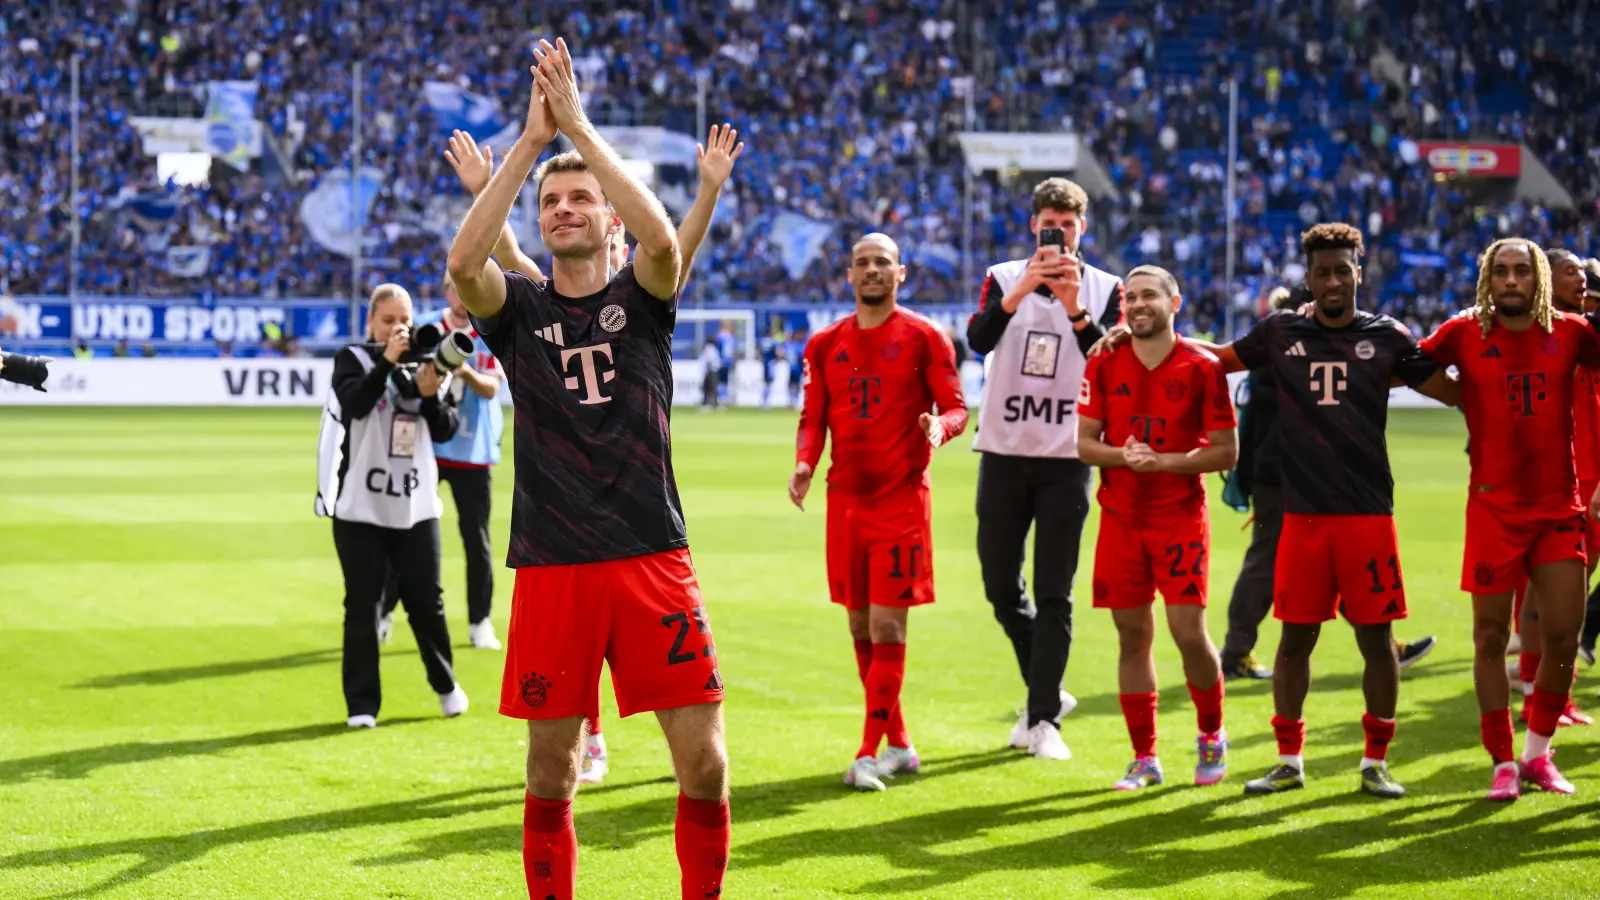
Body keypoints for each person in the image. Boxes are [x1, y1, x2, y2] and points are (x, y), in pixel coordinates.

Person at [445, 39, 728, 900]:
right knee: (550, 769)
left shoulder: (643, 299)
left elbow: (661, 238)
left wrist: (579, 127)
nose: (565, 209)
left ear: (608, 218)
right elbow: (464, 266)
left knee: (706, 765)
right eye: (553, 203)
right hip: (555, 564)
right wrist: (531, 146)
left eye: (582, 200)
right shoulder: (519, 310)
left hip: (650, 555)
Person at [1184, 224, 1458, 799]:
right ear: (1307, 279)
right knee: (1294, 641)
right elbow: (1215, 361)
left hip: (1366, 516)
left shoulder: (1387, 337)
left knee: (1377, 641)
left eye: (1342, 270)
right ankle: (1289, 760)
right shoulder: (1280, 332)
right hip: (1302, 518)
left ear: (1359, 272)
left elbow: (1453, 390)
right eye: (1322, 272)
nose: (1332, 281)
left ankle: (1375, 762)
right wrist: (1150, 338)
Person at [575, 122, 741, 789]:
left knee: (688, 713)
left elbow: (678, 246)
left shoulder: (645, 300)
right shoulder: (551, 306)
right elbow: (514, 270)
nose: (618, 243)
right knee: (572, 662)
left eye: (620, 235)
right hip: (570, 514)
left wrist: (707, 192)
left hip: (644, 522)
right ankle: (590, 740)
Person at [1416, 238, 1600, 800]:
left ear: (1538, 277)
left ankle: (1537, 755)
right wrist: (1457, 395)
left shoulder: (1573, 332)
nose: (1512, 280)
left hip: (1558, 506)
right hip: (1494, 508)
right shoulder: (1463, 331)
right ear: (1488, 279)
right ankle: (1501, 761)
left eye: (1523, 270)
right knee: (1492, 635)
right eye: (1502, 271)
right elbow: (1409, 366)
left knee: (1564, 635)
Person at [789, 232, 967, 792]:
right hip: (845, 502)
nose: (872, 270)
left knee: (889, 623)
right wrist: (803, 465)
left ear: (900, 273)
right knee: (861, 625)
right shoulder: (824, 344)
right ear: (849, 274)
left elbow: (958, 406)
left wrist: (940, 427)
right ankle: (901, 745)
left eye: (882, 262)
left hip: (901, 500)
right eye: (862, 262)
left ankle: (867, 753)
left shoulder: (924, 337)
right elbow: (813, 417)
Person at [964, 177, 1123, 759]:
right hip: (1004, 452)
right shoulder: (1004, 276)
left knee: (1056, 591)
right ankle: (1048, 690)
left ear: (1083, 229)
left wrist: (1078, 309)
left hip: (1066, 458)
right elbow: (978, 340)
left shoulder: (1104, 288)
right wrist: (1020, 291)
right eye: (1049, 223)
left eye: (1070, 224)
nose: (1059, 232)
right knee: (1001, 586)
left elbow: (1110, 360)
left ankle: (1042, 721)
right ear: (1034, 225)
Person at [1219, 286, 1438, 680]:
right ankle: (1235, 651)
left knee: (1323, 565)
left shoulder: (1282, 349)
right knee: (1267, 562)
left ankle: (1385, 644)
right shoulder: (1285, 348)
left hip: (1285, 473)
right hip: (1285, 475)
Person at [1077, 266, 1236, 791]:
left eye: (1150, 295)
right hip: (1121, 519)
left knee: (1188, 632)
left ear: (1176, 301)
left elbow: (1225, 451)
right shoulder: (1102, 360)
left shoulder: (1201, 365)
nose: (1139, 304)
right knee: (1132, 635)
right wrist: (1122, 457)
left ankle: (1211, 735)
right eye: (1131, 297)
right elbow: (1084, 444)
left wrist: (1163, 463)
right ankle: (1144, 757)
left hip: (1179, 518)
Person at [315, 283, 465, 729]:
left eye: (404, 320)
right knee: (362, 605)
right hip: (360, 507)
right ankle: (362, 705)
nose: (398, 328)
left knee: (427, 602)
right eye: (388, 321)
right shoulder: (354, 359)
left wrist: (430, 392)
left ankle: (446, 686)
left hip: (416, 504)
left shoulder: (430, 360)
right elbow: (356, 404)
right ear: (370, 322)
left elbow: (445, 430)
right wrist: (387, 361)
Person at [1503, 249, 1595, 727]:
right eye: (1570, 272)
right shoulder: (1543, 336)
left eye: (1583, 272)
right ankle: (1532, 687)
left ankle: (1554, 696)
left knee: (1570, 608)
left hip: (1592, 476)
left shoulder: (1585, 333)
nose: (1581, 278)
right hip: (1566, 483)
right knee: (1549, 597)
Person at [699, 338, 723, 411]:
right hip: (712, 370)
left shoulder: (709, 348)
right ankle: (714, 404)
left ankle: (707, 404)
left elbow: (708, 359)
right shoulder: (713, 348)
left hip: (710, 370)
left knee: (708, 388)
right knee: (712, 388)